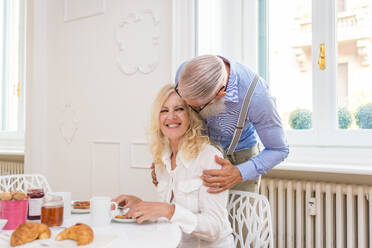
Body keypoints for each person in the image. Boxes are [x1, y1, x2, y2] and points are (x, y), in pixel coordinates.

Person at [113, 84, 234, 248]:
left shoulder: (210, 158)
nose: (171, 117)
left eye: (179, 109)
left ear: (190, 115)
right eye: (164, 111)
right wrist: (140, 205)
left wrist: (168, 210)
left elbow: (214, 228)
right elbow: (169, 214)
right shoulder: (161, 158)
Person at [152, 54, 289, 193]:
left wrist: (239, 172)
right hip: (196, 150)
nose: (189, 109)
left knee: (237, 213)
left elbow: (279, 149)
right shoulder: (185, 74)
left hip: (240, 155)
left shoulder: (258, 97)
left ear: (219, 95)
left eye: (195, 107)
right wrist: (168, 160)